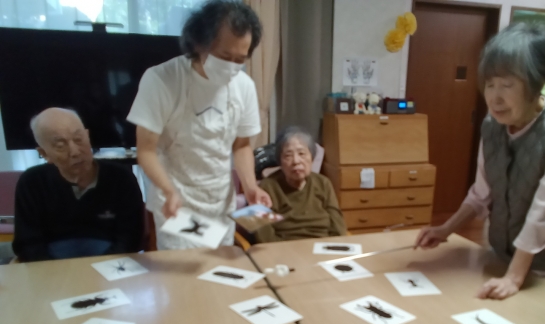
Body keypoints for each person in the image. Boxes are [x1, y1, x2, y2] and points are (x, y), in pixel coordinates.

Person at [415, 23, 545, 300]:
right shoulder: (492, 125)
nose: (494, 98)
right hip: (501, 251)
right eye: (490, 85)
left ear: (536, 83)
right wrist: (445, 229)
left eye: (507, 85)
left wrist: (514, 276)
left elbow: (544, 214)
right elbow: (481, 193)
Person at [127, 0, 271, 250]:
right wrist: (169, 191)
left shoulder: (244, 86)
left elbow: (241, 146)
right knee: (186, 269)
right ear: (198, 44)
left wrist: (250, 187)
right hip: (177, 202)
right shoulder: (162, 79)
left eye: (240, 59)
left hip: (219, 201)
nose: (232, 67)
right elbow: (146, 150)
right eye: (225, 56)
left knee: (220, 268)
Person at [13, 108, 144, 262]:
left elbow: (130, 240)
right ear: (44, 153)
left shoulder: (121, 178)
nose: (75, 152)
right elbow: (28, 244)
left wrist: (98, 268)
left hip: (111, 264)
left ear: (87, 136)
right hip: (52, 266)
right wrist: (59, 271)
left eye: (78, 139)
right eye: (60, 145)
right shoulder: (31, 183)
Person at [254, 127, 347, 242]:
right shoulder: (267, 187)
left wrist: (332, 246)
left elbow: (338, 226)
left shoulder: (323, 183)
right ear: (280, 161)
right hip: (285, 247)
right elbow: (264, 236)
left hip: (322, 245)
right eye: (288, 155)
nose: (296, 161)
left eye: (301, 153)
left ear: (312, 157)